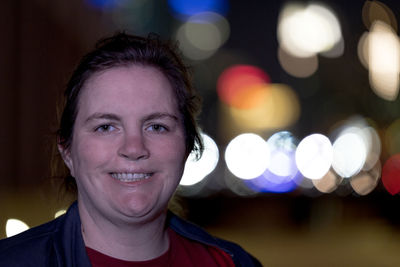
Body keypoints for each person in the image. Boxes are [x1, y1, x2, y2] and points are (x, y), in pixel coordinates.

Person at [0, 32, 261, 266]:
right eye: (106, 127)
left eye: (156, 127)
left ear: (187, 146)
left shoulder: (231, 263)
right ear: (67, 151)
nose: (134, 148)